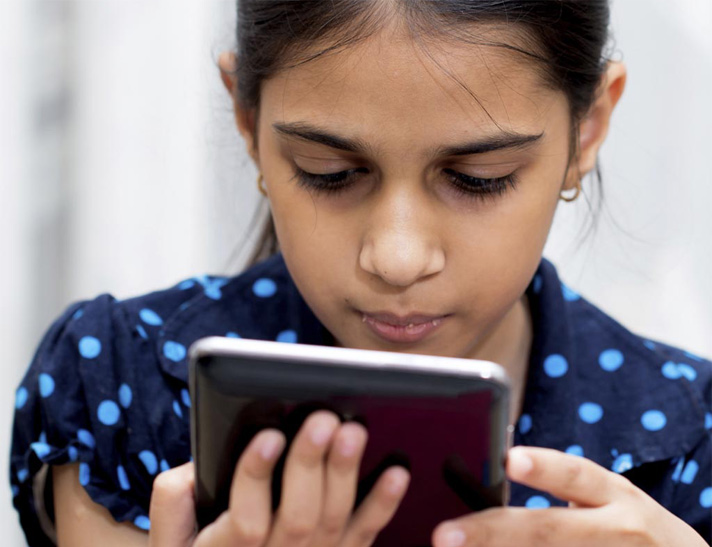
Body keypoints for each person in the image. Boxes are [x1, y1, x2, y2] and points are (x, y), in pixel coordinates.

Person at [9, 1, 712, 545]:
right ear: (249, 121)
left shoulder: (688, 444)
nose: (397, 257)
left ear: (586, 130)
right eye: (331, 174)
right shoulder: (125, 385)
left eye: (478, 180)